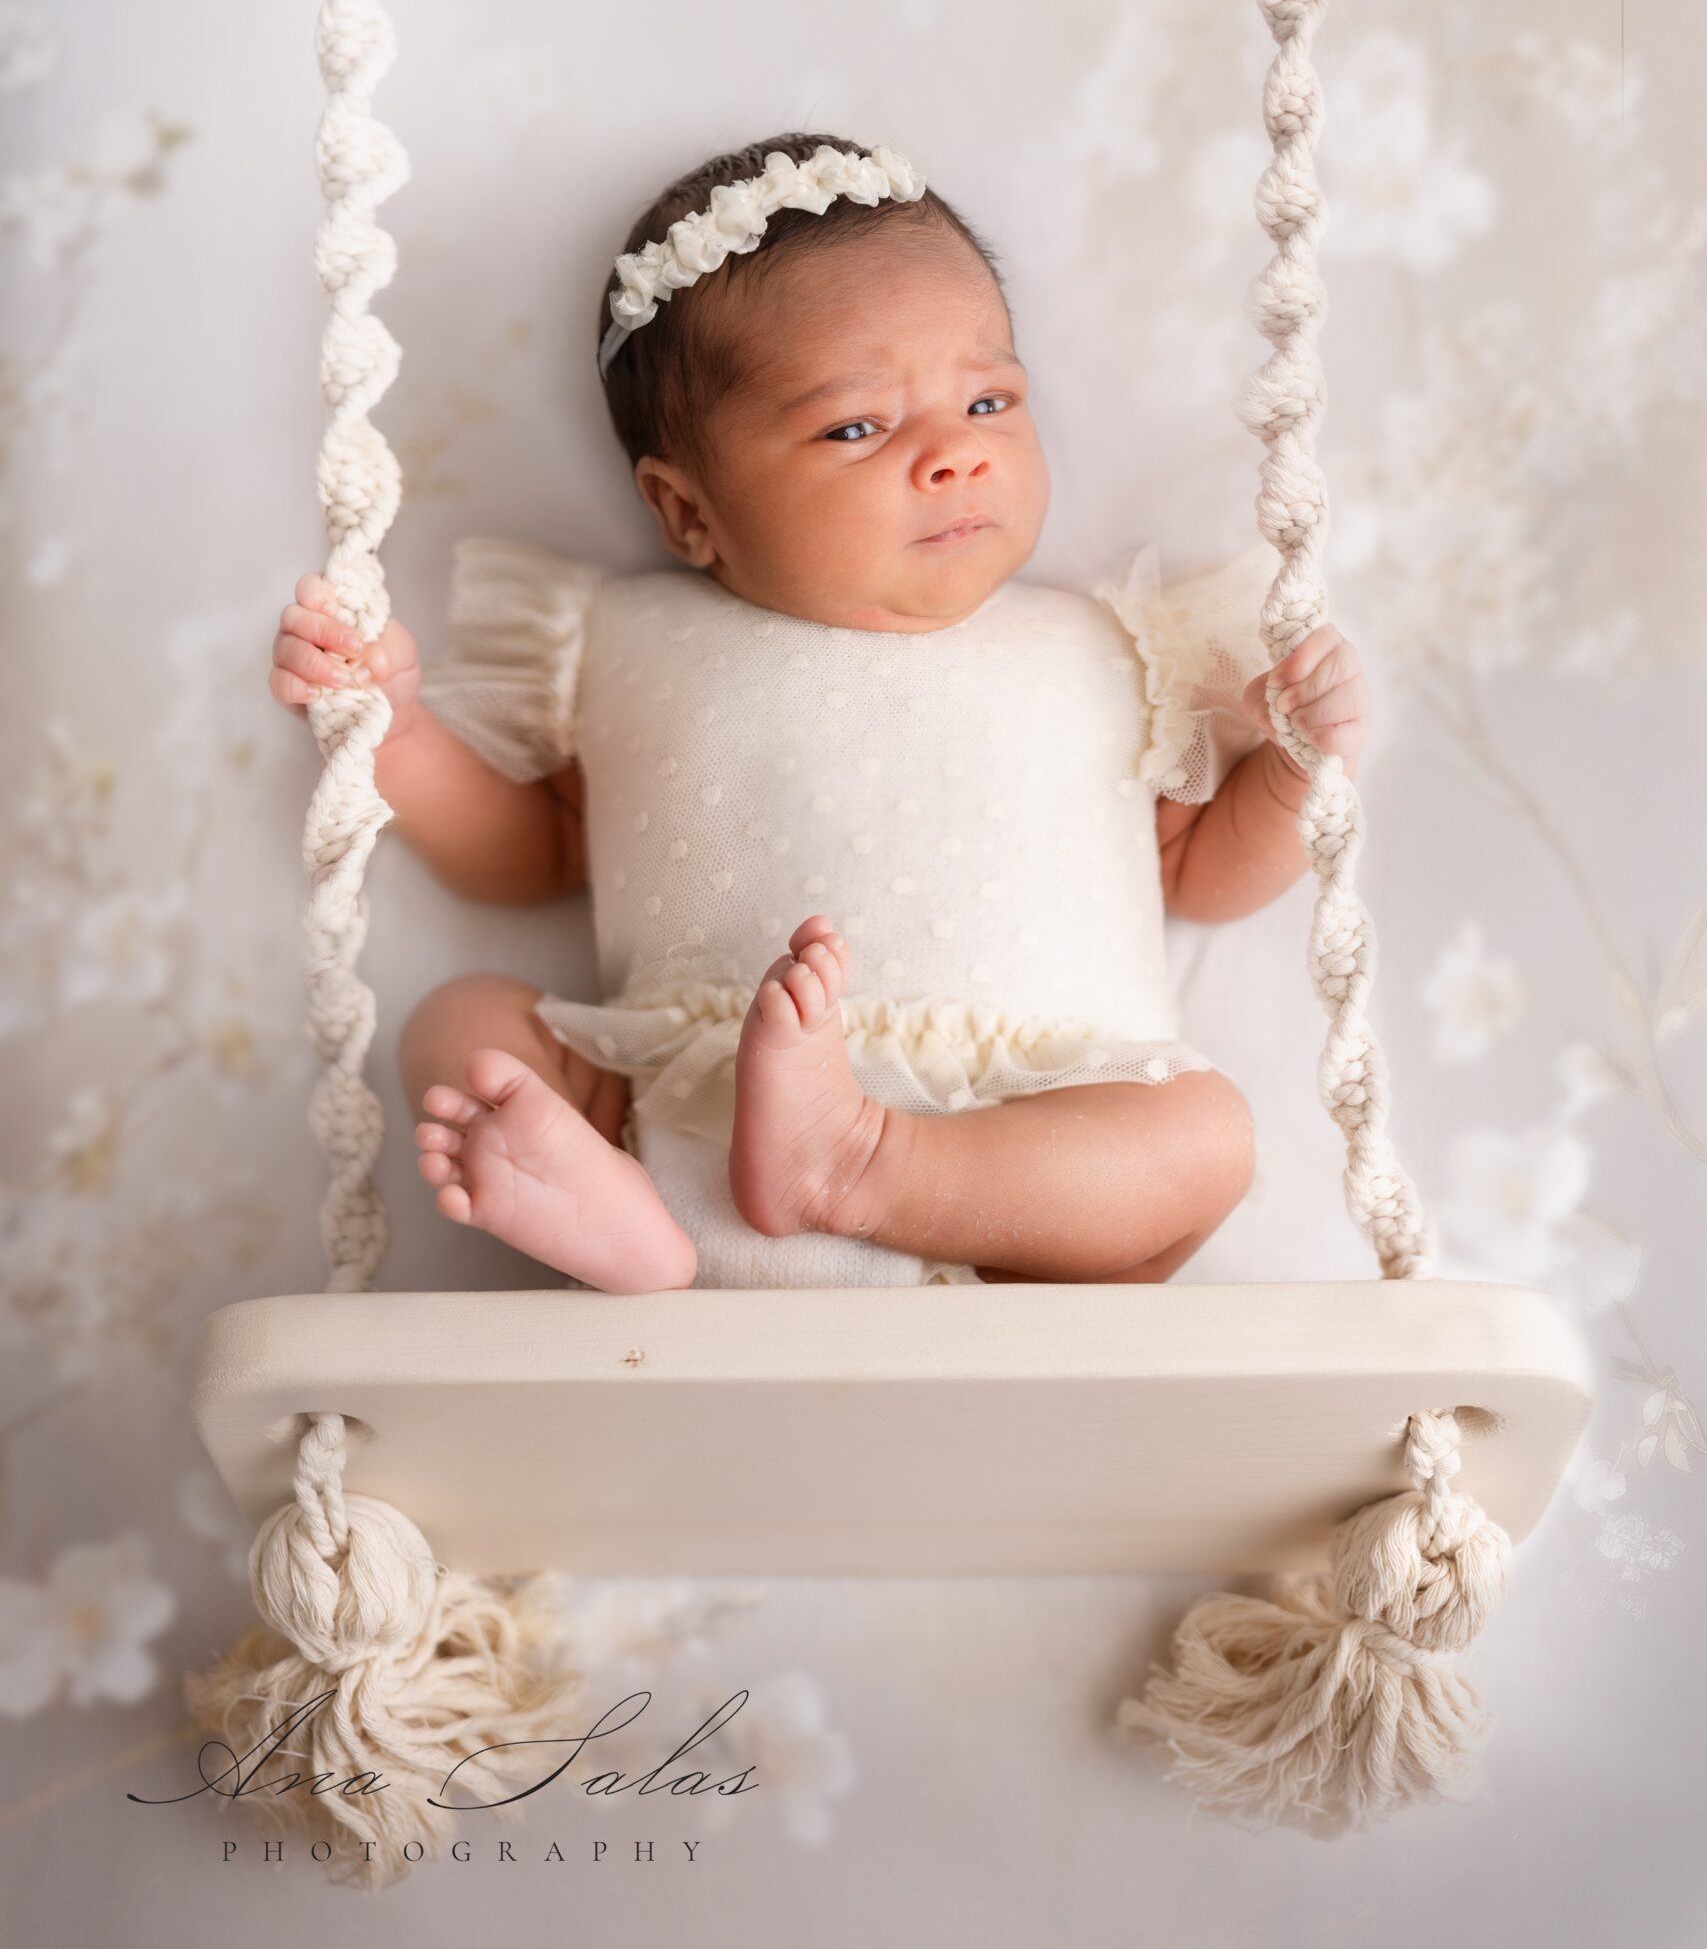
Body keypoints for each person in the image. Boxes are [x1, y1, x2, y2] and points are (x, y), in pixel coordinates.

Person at [267, 133, 1366, 1293]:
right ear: (688, 511)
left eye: (989, 399)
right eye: (858, 426)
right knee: (463, 1027)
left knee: (1203, 1134)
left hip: (1022, 1166)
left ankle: (866, 1162)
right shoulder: (627, 645)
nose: (955, 454)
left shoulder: (1111, 643)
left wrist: (1292, 773)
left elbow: (1196, 866)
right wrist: (394, 736)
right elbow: (536, 850)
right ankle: (632, 1233)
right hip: (695, 1117)